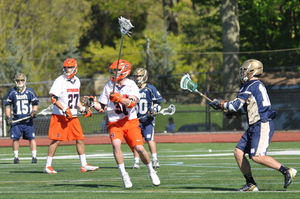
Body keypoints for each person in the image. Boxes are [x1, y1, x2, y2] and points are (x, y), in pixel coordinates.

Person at [208, 59, 297, 191]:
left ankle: (286, 170)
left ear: (252, 70)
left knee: (257, 156)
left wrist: (221, 104)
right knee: (238, 152)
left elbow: (236, 105)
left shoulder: (250, 85)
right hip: (255, 124)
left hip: (261, 123)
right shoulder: (255, 85)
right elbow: (246, 108)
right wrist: (231, 111)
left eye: (244, 70)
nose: (242, 72)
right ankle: (251, 183)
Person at [84, 59, 160, 188]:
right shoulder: (108, 85)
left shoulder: (131, 85)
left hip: (130, 120)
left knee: (140, 148)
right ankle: (124, 174)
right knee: (116, 144)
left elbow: (132, 102)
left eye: (116, 70)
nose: (114, 72)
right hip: (114, 121)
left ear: (124, 71)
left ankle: (151, 171)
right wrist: (92, 104)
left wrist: (120, 98)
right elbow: (102, 106)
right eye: (113, 70)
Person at [44, 58, 99, 174]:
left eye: (69, 67)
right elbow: (54, 98)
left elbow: (76, 99)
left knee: (80, 139)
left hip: (73, 115)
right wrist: (64, 109)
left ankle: (84, 165)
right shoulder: (60, 80)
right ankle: (47, 166)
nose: (67, 70)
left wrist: (82, 109)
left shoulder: (77, 81)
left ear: (75, 68)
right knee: (56, 140)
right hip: (60, 116)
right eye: (66, 67)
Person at [131, 68, 163, 169]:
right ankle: (136, 162)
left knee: (150, 139)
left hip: (148, 120)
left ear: (144, 76)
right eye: (136, 76)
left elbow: (158, 101)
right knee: (137, 142)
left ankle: (155, 160)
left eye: (139, 76)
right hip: (135, 120)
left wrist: (155, 109)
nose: (137, 78)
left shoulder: (150, 88)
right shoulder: (132, 88)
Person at [4, 73, 39, 164]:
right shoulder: (12, 92)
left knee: (31, 138)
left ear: (25, 81)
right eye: (18, 80)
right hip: (16, 120)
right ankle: (16, 157)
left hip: (27, 120)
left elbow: (35, 103)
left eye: (22, 80)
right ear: (15, 81)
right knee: (15, 139)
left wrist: (34, 112)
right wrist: (8, 116)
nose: (20, 82)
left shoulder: (30, 91)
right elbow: (7, 105)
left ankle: (34, 157)